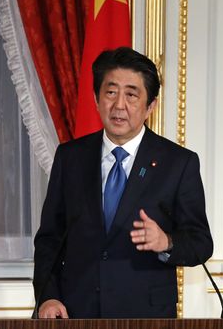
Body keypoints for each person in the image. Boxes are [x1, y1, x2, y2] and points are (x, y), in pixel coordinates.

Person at [33, 47, 213, 319]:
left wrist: (166, 241)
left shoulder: (178, 163)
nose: (119, 105)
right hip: (76, 312)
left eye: (131, 95)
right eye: (110, 92)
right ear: (96, 98)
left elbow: (200, 243)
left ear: (150, 106)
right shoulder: (71, 157)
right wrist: (47, 297)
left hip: (145, 315)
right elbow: (49, 240)